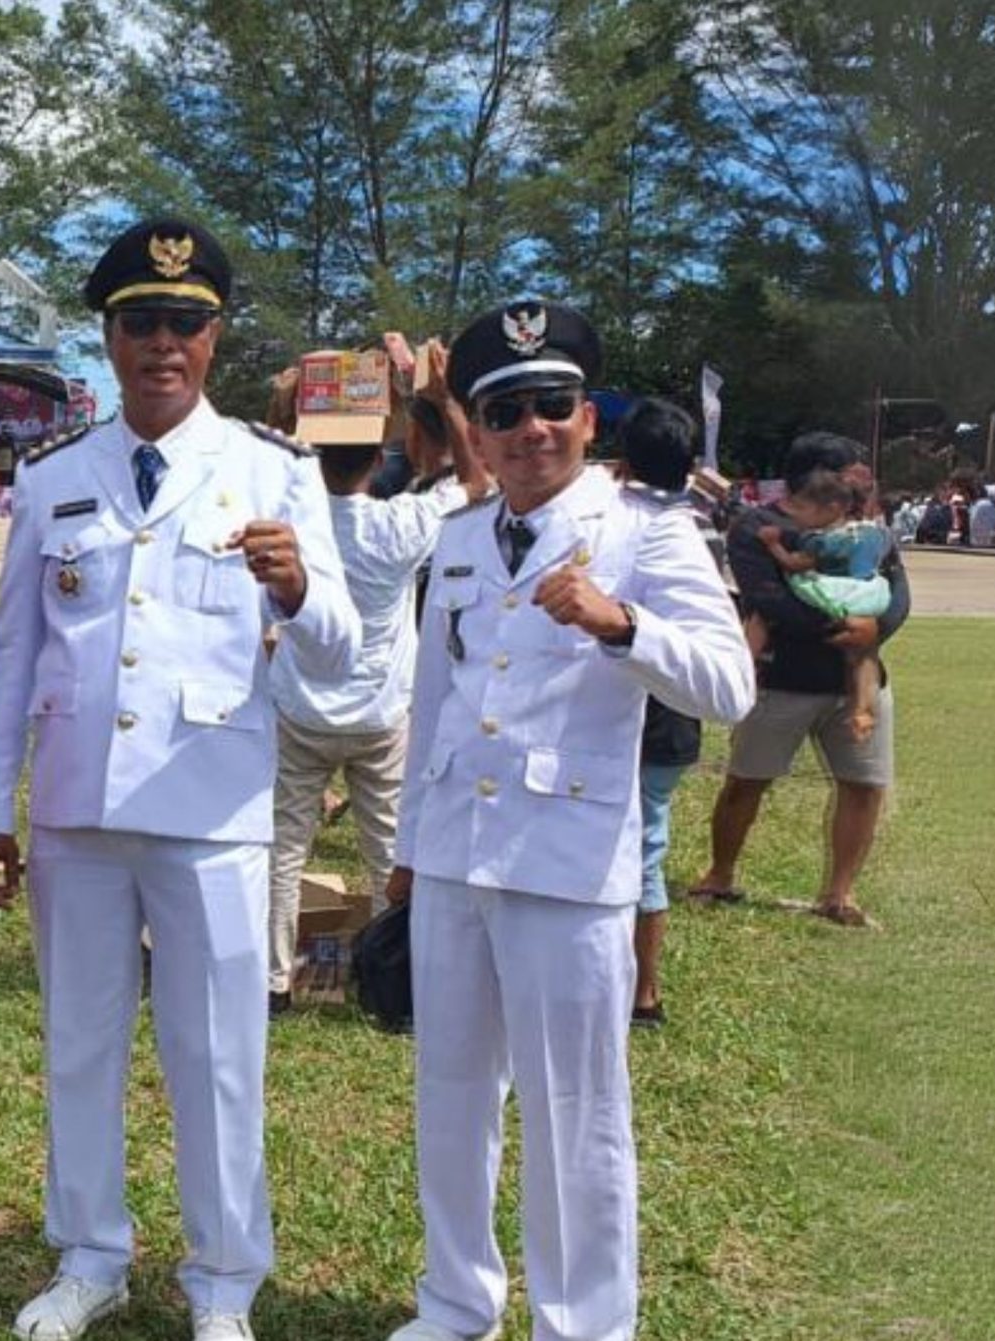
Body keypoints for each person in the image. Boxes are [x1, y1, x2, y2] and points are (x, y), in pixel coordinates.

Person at [0, 218, 358, 1341]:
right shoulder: (55, 477)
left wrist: (295, 590)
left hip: (212, 805)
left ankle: (224, 1281)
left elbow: (341, 650)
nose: (162, 344)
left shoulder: (274, 472)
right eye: (141, 322)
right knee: (81, 1042)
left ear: (216, 337)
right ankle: (89, 1253)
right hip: (80, 807)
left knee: (217, 1052)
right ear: (107, 336)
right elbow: (15, 654)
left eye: (184, 324)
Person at [381, 302, 753, 1341]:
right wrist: (407, 859)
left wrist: (623, 624)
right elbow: (431, 705)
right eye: (505, 412)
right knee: (450, 1097)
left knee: (573, 1113)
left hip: (567, 859)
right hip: (455, 851)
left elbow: (728, 685)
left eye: (551, 405)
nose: (530, 430)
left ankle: (583, 1324)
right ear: (479, 432)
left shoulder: (646, 531)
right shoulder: (458, 539)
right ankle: (455, 1302)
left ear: (587, 418)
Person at [264, 342, 490, 1017]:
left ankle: (273, 981)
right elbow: (477, 484)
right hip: (382, 712)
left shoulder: (285, 521)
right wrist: (448, 399)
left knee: (280, 851)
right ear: (380, 453)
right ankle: (401, 975)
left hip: (297, 704)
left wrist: (295, 407)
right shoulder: (400, 522)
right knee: (390, 849)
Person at [690, 431, 910, 928]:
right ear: (822, 476)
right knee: (746, 781)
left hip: (858, 679)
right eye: (857, 469)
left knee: (864, 784)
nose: (866, 478)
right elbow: (769, 599)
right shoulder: (756, 527)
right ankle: (720, 874)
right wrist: (844, 629)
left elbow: (899, 592)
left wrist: (876, 627)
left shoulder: (863, 526)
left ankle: (840, 893)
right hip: (784, 679)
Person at [608, 398, 723, 1030]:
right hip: (674, 720)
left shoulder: (617, 524)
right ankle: (644, 991)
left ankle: (630, 986)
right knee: (649, 847)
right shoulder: (702, 527)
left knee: (622, 854)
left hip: (623, 714)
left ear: (622, 460)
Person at [747, 470, 892, 740]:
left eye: (802, 508)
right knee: (863, 653)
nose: (796, 515)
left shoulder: (826, 541)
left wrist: (773, 544)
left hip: (835, 593)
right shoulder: (874, 532)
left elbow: (794, 564)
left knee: (762, 614)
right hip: (870, 593)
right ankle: (862, 708)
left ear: (833, 508)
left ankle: (744, 666)